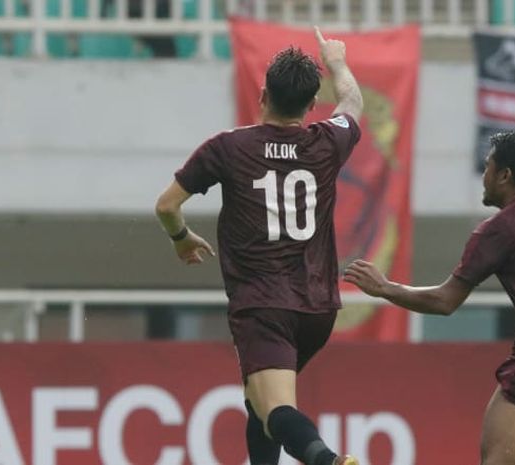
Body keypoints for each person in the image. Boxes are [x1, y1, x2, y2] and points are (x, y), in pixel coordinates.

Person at [155, 27, 363, 465]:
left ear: (262, 94)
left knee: (275, 411)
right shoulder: (327, 141)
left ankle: (328, 461)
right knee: (257, 400)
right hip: (319, 309)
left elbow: (166, 206)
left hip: (265, 306)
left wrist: (180, 239)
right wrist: (337, 60)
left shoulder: (229, 148)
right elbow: (353, 103)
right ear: (310, 107)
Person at [344, 131, 515, 465]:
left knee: (496, 459)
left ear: (505, 175)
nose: (485, 176)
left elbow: (444, 301)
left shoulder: (501, 226)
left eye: (489, 167)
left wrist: (385, 288)